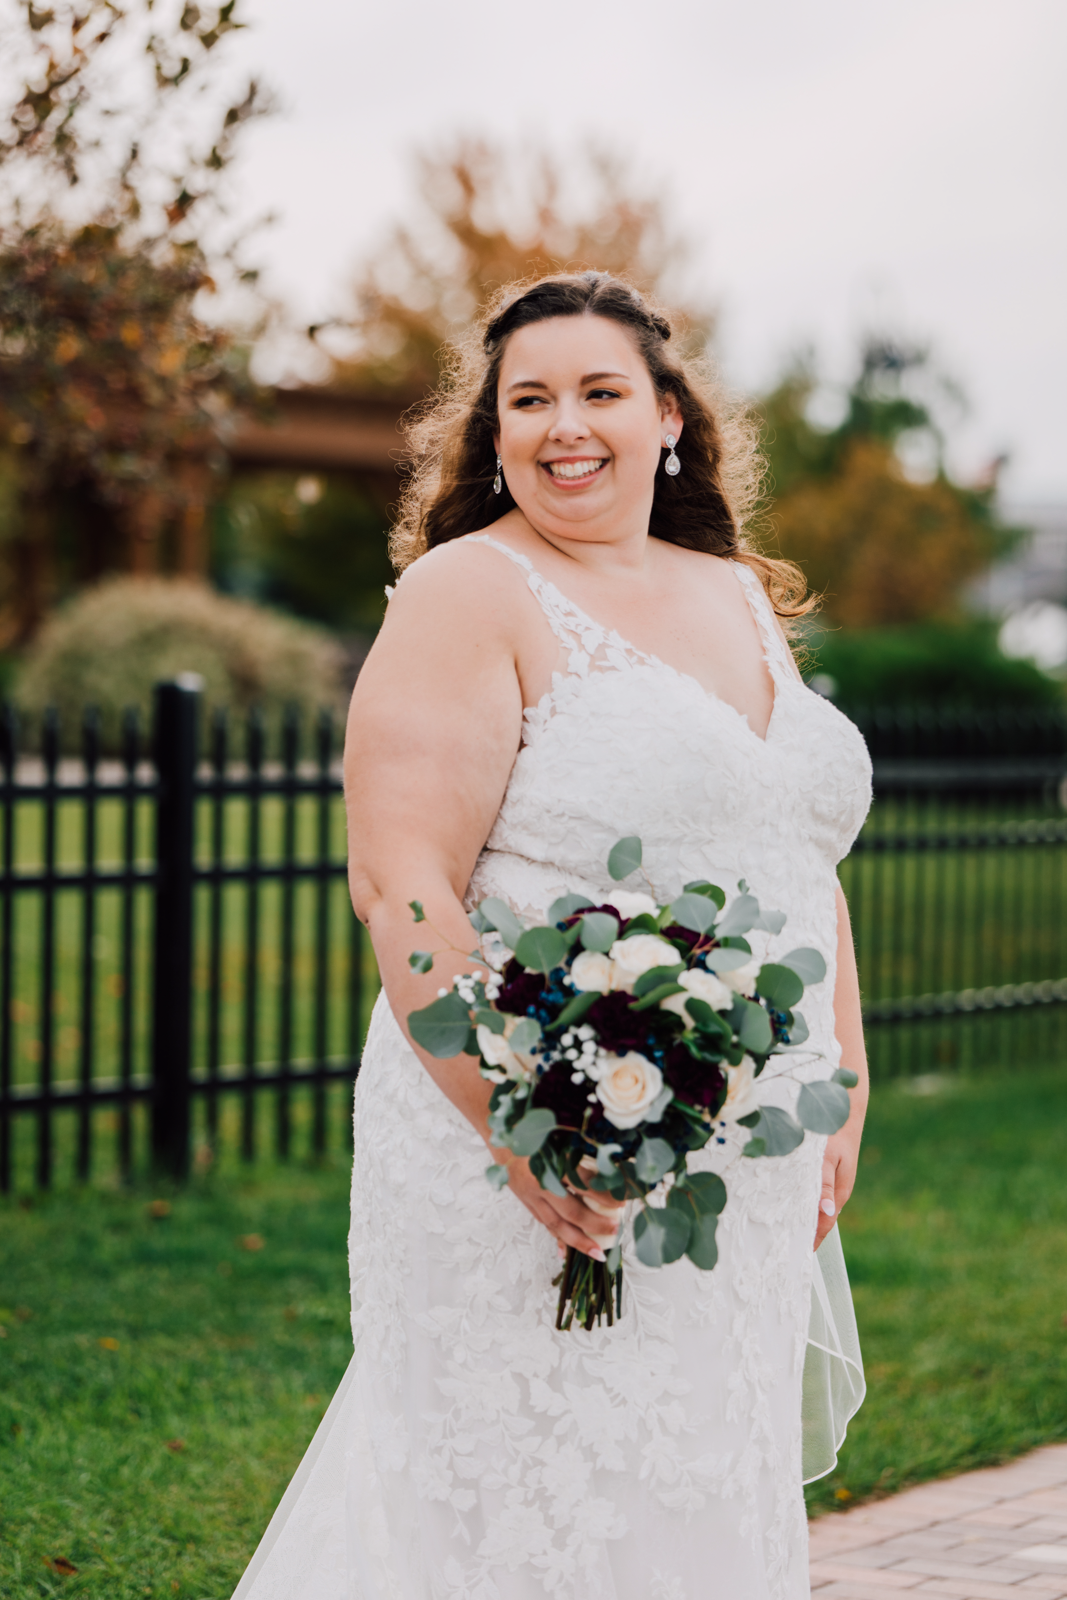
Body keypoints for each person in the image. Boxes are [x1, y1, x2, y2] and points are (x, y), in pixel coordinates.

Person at [232, 271, 870, 1600]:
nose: (562, 425)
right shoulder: (471, 591)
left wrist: (842, 1082)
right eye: (527, 399)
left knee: (699, 1466)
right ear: (492, 433)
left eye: (597, 391)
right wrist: (519, 1126)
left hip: (738, 1147)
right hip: (527, 1126)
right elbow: (401, 880)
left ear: (668, 419)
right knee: (529, 1499)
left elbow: (792, 852)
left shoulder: (736, 594)